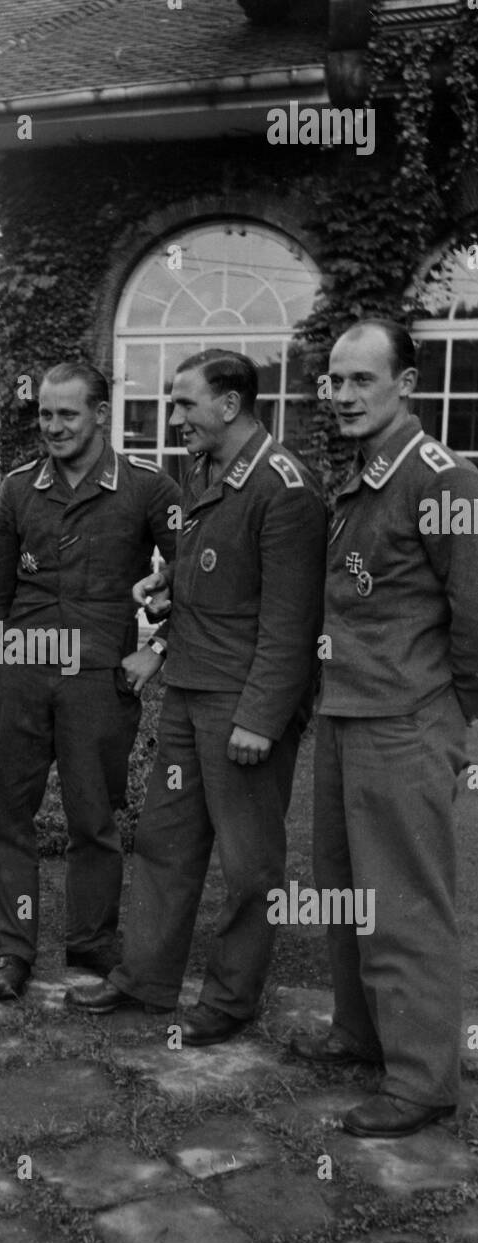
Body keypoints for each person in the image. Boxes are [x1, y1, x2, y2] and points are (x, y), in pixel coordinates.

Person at [67, 350, 326, 1042]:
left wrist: (262, 717)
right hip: (186, 687)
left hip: (240, 705)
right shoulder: (206, 471)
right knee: (164, 841)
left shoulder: (285, 486)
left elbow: (291, 619)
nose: (172, 417)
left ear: (230, 404)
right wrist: (168, 584)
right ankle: (145, 979)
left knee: (247, 864)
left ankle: (231, 999)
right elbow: (219, 571)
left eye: (184, 404)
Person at [289, 319, 478, 1137]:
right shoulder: (366, 471)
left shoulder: (443, 479)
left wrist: (459, 721)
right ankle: (362, 1035)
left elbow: (473, 613)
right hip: (346, 710)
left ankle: (423, 1080)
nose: (342, 396)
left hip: (404, 718)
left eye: (361, 380)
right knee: (342, 888)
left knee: (403, 900)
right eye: (334, 380)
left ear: (405, 384)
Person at [0, 361, 181, 1001]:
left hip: (98, 683)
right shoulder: (17, 489)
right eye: (45, 415)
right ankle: (13, 950)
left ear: (100, 415)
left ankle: (90, 940)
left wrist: (161, 648)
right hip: (23, 677)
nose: (53, 427)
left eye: (67, 414)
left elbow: (200, 572)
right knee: (6, 817)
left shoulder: (147, 488)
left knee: (94, 822)